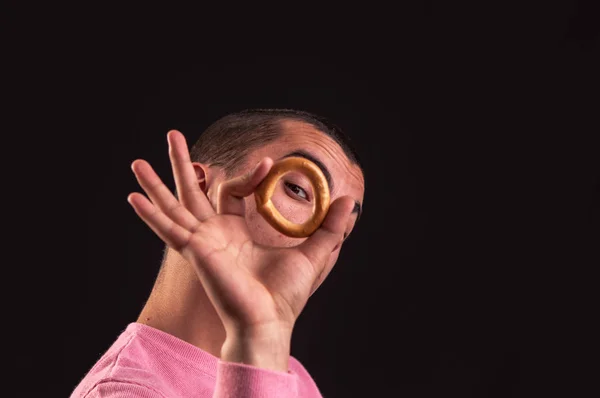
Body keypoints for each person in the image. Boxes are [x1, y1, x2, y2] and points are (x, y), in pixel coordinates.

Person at [70, 109, 366, 397]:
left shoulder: (291, 377)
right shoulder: (123, 391)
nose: (322, 238)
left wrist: (264, 337)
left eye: (343, 230)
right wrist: (258, 338)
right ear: (200, 188)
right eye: (297, 190)